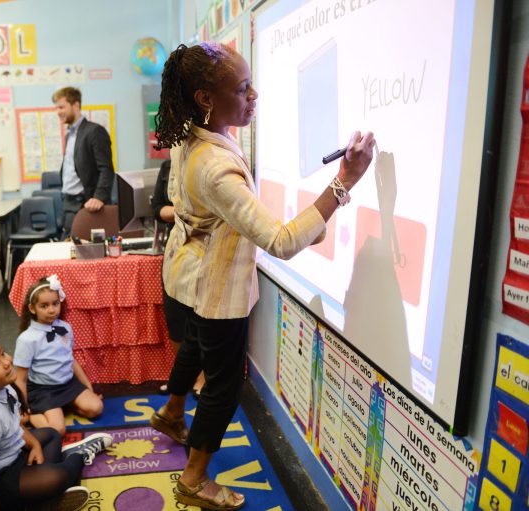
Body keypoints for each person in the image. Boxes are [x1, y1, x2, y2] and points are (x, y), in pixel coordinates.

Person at [150, 42, 375, 510]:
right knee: (223, 385)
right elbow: (283, 242)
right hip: (215, 290)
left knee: (193, 345)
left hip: (187, 276)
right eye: (243, 88)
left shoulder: (193, 133)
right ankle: (193, 479)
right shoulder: (214, 167)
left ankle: (172, 413)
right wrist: (345, 181)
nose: (255, 95)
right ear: (206, 98)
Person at [0, 336, 112, 511]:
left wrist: (34, 444)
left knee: (51, 435)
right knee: (58, 476)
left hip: (3, 462)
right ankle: (77, 456)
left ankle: (39, 499)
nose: (7, 362)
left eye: (2, 354)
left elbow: (12, 423)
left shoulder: (3, 386)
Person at [13, 275, 103, 436]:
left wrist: (88, 387)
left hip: (67, 384)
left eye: (55, 304)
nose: (51, 310)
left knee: (96, 408)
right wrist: (23, 407)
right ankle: (35, 414)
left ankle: (65, 406)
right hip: (44, 390)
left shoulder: (65, 328)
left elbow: (71, 360)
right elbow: (21, 378)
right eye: (44, 306)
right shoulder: (27, 339)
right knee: (57, 431)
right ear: (32, 309)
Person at [151, 160, 205, 397]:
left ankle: (203, 377)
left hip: (204, 254)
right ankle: (186, 376)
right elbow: (157, 209)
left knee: (201, 320)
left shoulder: (208, 161)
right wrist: (181, 212)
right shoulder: (167, 166)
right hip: (174, 252)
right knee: (176, 320)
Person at [52, 87, 115, 237]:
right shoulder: (69, 135)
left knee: (85, 254)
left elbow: (106, 168)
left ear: (76, 105)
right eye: (56, 108)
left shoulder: (94, 131)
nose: (58, 112)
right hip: (68, 203)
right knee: (68, 251)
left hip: (86, 204)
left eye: (61, 107)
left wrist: (99, 197)